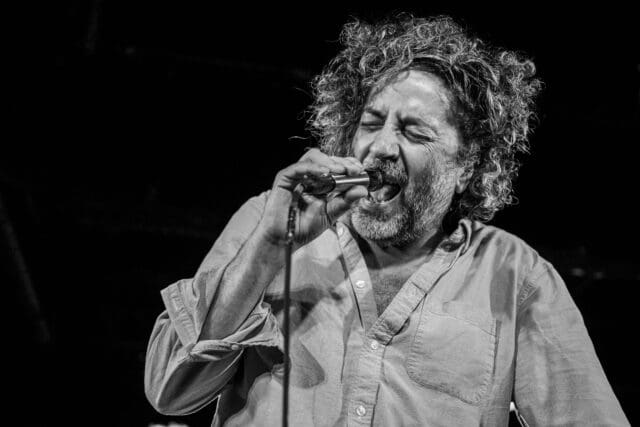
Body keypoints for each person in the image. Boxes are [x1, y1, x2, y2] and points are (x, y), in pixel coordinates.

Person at [144, 14, 630, 426]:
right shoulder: (269, 220)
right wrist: (272, 244)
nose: (380, 147)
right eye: (371, 123)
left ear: (467, 166)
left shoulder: (516, 274)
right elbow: (170, 389)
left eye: (413, 132)